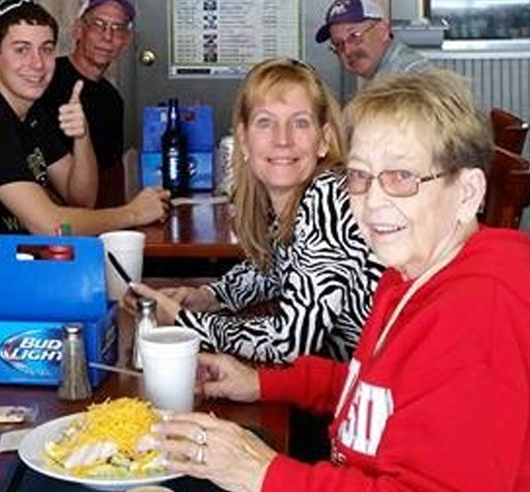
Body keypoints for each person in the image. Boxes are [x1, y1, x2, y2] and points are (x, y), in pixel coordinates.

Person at [153, 69, 530, 492]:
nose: (373, 201)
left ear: (468, 193)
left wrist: (266, 473)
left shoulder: (485, 320)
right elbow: (379, 395)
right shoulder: (408, 276)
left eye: (401, 177)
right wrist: (259, 382)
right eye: (359, 176)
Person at [131, 58, 382, 363]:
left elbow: (292, 341)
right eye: (265, 122)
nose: (282, 139)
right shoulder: (293, 201)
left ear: (323, 141)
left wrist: (184, 322)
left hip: (395, 393)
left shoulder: (329, 198)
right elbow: (271, 270)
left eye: (300, 122)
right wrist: (210, 297)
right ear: (244, 141)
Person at [0, 0, 169, 278]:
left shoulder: (30, 114)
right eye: (21, 50)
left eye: (46, 49)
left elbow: (81, 198)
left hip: (27, 266)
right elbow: (50, 225)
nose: (37, 63)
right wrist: (133, 214)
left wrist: (81, 136)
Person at [37, 0, 135, 206]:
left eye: (117, 29)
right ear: (78, 30)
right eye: (98, 25)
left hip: (85, 214)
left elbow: (109, 176)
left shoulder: (112, 100)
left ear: (126, 40)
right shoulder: (43, 80)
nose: (107, 37)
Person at [314, 0, 427, 81]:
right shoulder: (385, 75)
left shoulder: (408, 80)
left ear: (383, 31)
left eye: (354, 36)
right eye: (338, 44)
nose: (347, 51)